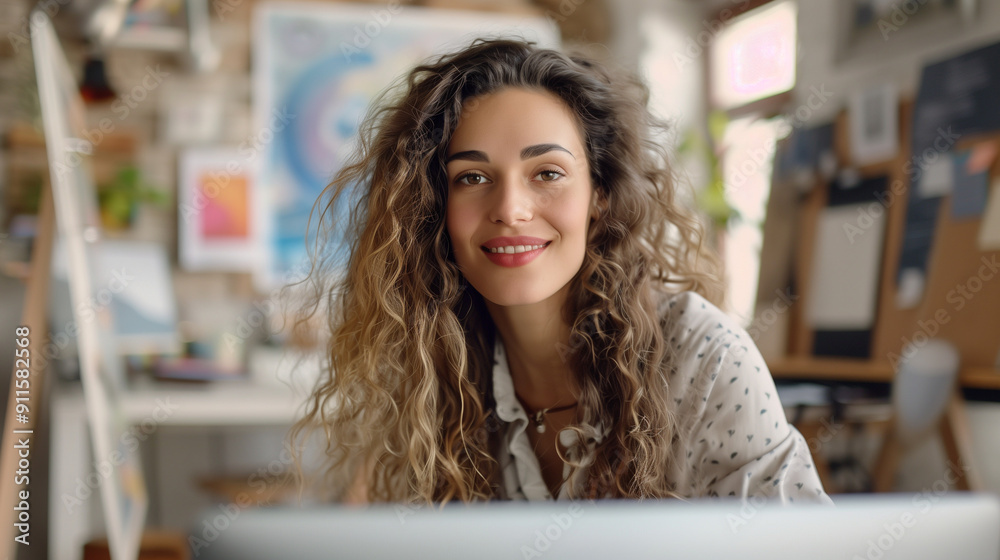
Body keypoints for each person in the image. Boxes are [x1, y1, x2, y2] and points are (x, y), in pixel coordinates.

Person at [291, 38, 831, 505]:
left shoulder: (703, 359)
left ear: (599, 195)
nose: (511, 209)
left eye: (546, 172)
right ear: (435, 207)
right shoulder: (428, 378)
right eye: (472, 178)